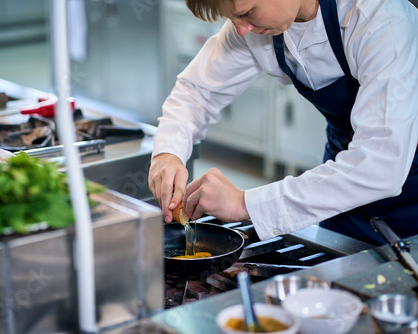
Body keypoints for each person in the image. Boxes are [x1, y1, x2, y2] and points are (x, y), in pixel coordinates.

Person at [148, 0, 418, 245]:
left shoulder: (381, 19)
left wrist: (246, 204)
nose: (241, 29)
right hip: (340, 184)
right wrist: (167, 153)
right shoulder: (255, 28)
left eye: (246, 13)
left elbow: (381, 164)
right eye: (233, 19)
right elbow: (197, 92)